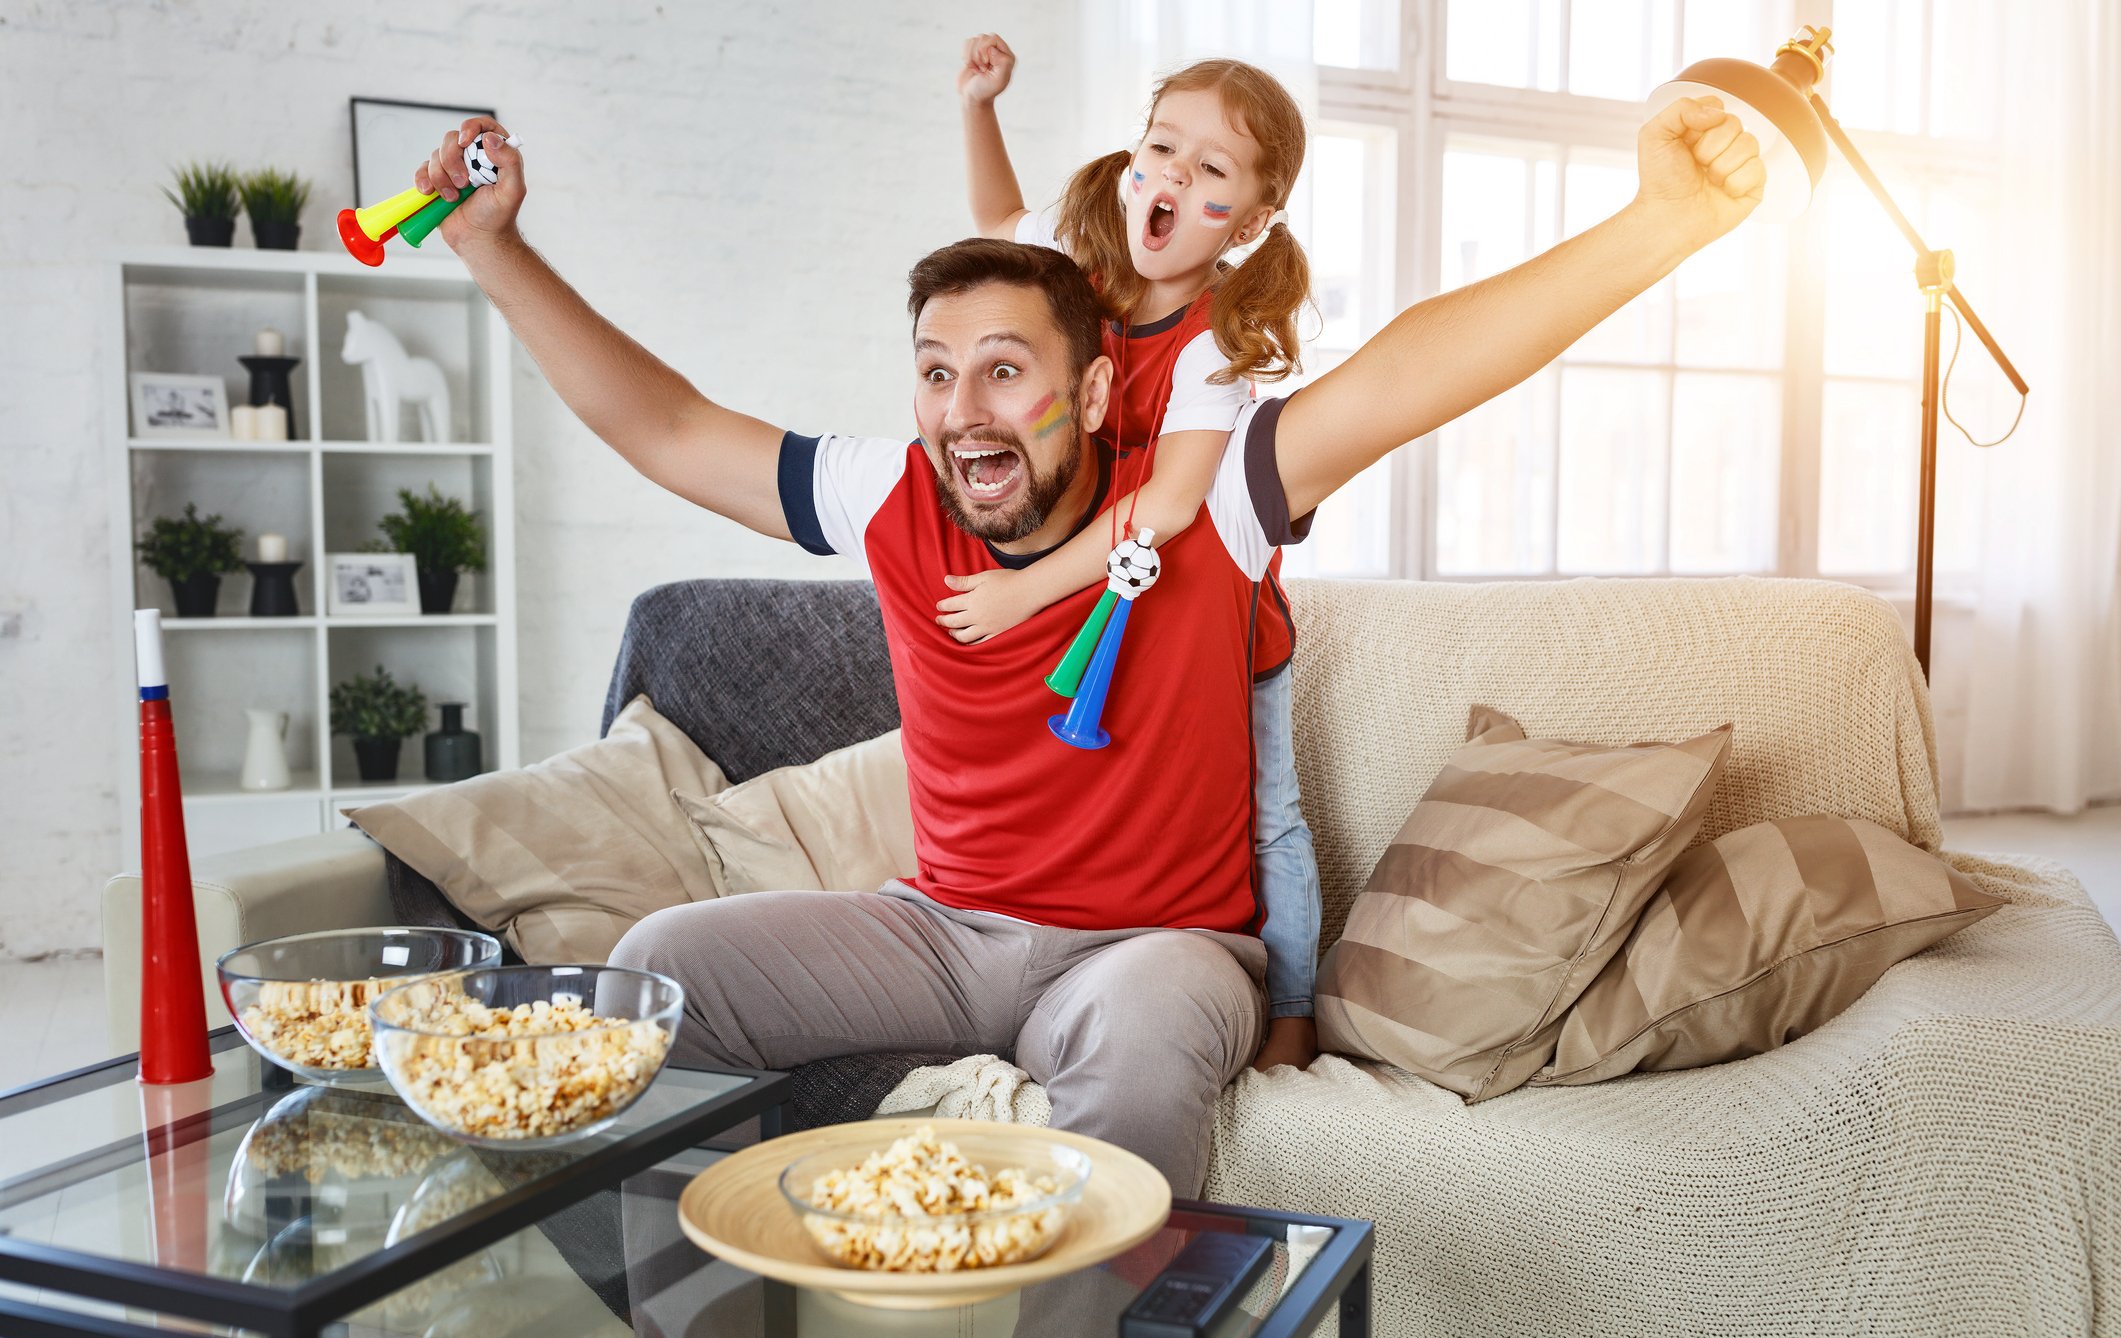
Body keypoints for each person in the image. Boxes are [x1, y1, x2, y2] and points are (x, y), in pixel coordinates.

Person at [412, 82, 1763, 1202]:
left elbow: (1414, 370)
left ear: (1096, 383)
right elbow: (664, 424)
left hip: (1155, 950)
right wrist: (492, 248)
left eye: (1005, 368)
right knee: (653, 964)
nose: (964, 410)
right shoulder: (893, 493)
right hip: (940, 932)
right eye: (936, 373)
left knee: (1133, 1046)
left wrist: (1663, 221)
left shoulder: (1209, 496)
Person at [956, 35, 1325, 1071]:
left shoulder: (1216, 346)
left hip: (1222, 622)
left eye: (1210, 170)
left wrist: (1022, 592)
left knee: (1272, 817)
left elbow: (1166, 504)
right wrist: (979, 106)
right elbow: (994, 220)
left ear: (1250, 221)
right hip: (1121, 613)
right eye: (1161, 148)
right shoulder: (1076, 272)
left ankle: (1292, 1009)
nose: (1171, 176)